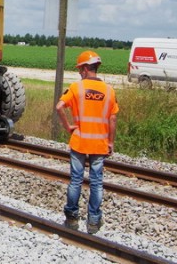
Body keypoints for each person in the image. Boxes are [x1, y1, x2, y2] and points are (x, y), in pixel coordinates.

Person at [55, 50, 118, 234]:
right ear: (95, 67)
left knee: (76, 180)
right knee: (96, 183)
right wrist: (111, 142)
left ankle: (72, 218)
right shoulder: (109, 90)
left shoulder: (76, 88)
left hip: (79, 142)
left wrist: (68, 127)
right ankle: (93, 221)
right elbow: (113, 119)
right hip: (99, 143)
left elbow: (59, 106)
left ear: (84, 68)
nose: (79, 73)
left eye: (79, 69)